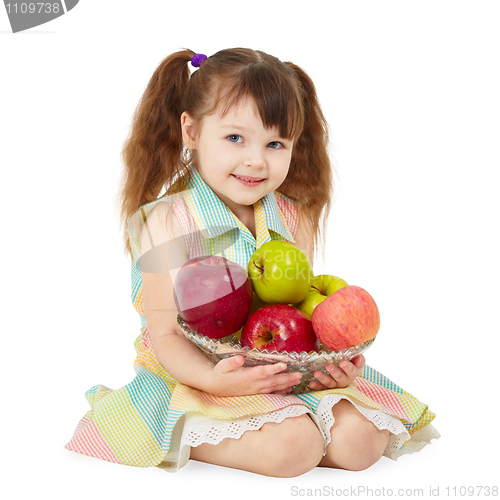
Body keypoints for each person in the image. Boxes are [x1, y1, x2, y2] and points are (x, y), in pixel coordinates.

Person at [65, 48, 439, 477]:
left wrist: (332, 365)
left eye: (275, 143)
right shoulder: (164, 221)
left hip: (280, 363)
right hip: (196, 372)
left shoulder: (293, 217)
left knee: (360, 444)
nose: (256, 160)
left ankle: (290, 419)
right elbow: (165, 334)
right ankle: (185, 431)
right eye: (234, 138)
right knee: (294, 448)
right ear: (191, 130)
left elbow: (301, 310)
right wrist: (215, 382)